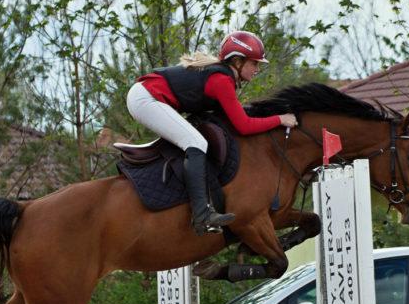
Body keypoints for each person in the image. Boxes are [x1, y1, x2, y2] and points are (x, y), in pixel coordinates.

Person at [127, 30, 298, 235]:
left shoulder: (223, 77)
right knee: (196, 143)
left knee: (195, 140)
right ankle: (202, 215)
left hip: (147, 96)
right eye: (254, 63)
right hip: (146, 99)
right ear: (237, 61)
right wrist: (280, 119)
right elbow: (243, 126)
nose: (257, 69)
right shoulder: (221, 80)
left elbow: (234, 118)